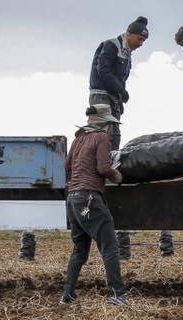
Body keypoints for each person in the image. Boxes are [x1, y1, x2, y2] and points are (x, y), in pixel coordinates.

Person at [62, 104, 130, 306]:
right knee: (109, 246)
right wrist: (116, 175)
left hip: (73, 199)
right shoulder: (102, 138)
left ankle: (68, 294)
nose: (110, 127)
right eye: (109, 123)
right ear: (103, 123)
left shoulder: (78, 138)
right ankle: (118, 293)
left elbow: (67, 166)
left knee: (80, 250)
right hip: (90, 198)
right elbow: (103, 167)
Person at [89, 16, 149, 149]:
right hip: (101, 95)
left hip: (114, 97)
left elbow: (122, 79)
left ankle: (110, 166)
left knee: (115, 135)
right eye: (139, 39)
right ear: (129, 33)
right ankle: (94, 166)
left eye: (143, 41)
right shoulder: (111, 45)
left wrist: (120, 99)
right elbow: (102, 69)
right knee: (101, 133)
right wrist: (121, 90)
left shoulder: (127, 53)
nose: (140, 44)